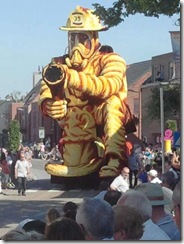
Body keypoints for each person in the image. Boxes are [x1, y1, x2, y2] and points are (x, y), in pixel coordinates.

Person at [39, 5, 136, 182]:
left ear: (94, 38)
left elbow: (109, 85)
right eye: (72, 37)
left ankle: (114, 159)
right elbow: (45, 90)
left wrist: (73, 78)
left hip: (100, 114)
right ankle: (76, 163)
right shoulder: (58, 63)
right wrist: (49, 104)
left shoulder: (111, 59)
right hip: (74, 119)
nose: (76, 44)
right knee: (74, 161)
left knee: (112, 103)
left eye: (82, 37)